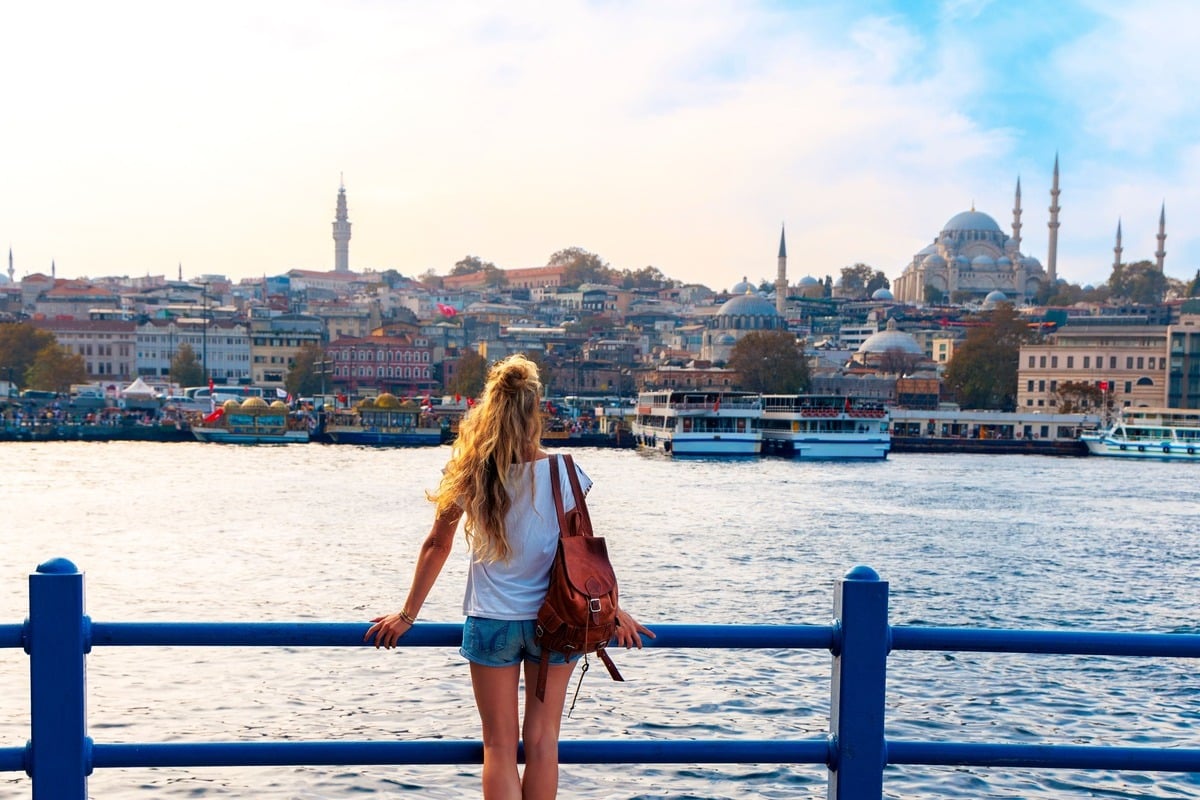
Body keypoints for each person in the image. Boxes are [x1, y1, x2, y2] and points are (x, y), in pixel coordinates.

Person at [366, 353, 653, 800]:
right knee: (542, 743)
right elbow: (581, 561)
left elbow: (436, 545)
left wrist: (407, 615)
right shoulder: (566, 473)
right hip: (556, 621)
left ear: (490, 408)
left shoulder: (469, 471)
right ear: (534, 411)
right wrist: (614, 611)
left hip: (492, 620)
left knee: (498, 746)